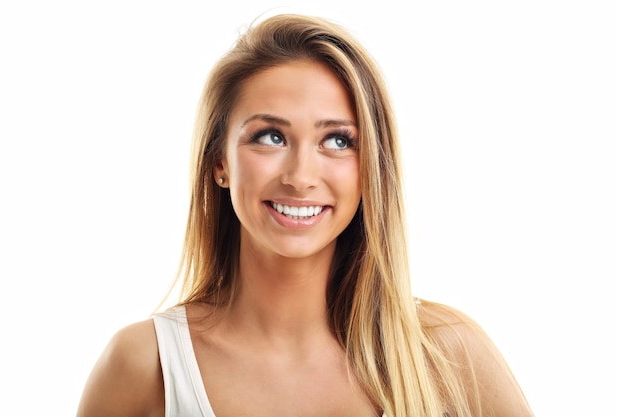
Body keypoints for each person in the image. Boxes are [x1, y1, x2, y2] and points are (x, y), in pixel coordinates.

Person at [76, 13, 534, 417]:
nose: (300, 176)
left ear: (369, 167)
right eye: (270, 137)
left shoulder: (447, 357)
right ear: (220, 163)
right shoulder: (145, 366)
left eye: (337, 140)